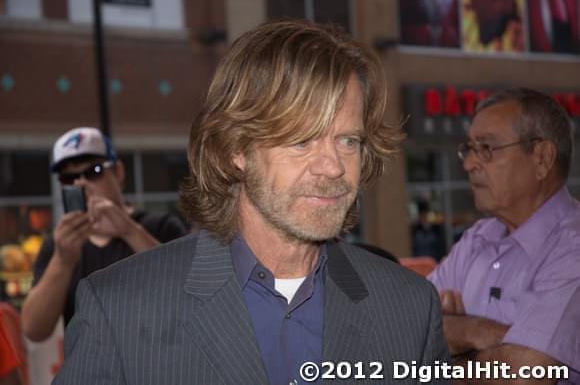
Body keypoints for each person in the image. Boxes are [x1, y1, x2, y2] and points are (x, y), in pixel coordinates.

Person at [55, 20, 449, 384]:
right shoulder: (119, 310)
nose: (333, 166)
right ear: (236, 150)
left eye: (348, 141)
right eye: (301, 140)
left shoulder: (410, 310)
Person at [428, 88, 580, 383]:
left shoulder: (573, 248)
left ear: (542, 158)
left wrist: (451, 335)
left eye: (486, 148)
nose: (469, 163)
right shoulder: (476, 240)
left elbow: (524, 374)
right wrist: (477, 332)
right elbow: (403, 330)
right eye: (469, 148)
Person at [21, 127, 188, 342]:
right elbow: (34, 330)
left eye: (94, 171)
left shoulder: (160, 226)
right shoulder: (60, 244)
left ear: (118, 172)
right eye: (68, 178)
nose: (81, 183)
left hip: (156, 365)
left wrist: (129, 231)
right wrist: (62, 261)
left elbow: (192, 293)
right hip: (88, 371)